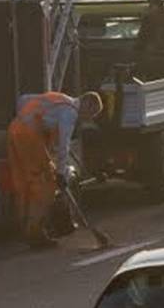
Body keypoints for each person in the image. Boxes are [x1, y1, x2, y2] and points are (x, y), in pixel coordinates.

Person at [6, 91, 103, 245]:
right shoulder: (69, 113)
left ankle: (26, 225)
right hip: (30, 137)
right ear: (87, 104)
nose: (88, 119)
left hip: (16, 130)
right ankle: (35, 232)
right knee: (45, 184)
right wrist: (60, 173)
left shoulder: (60, 100)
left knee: (25, 181)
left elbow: (23, 99)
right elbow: (63, 146)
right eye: (91, 113)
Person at [134, 0, 164, 79]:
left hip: (155, 50)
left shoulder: (155, 14)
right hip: (157, 49)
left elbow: (145, 32)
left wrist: (140, 45)